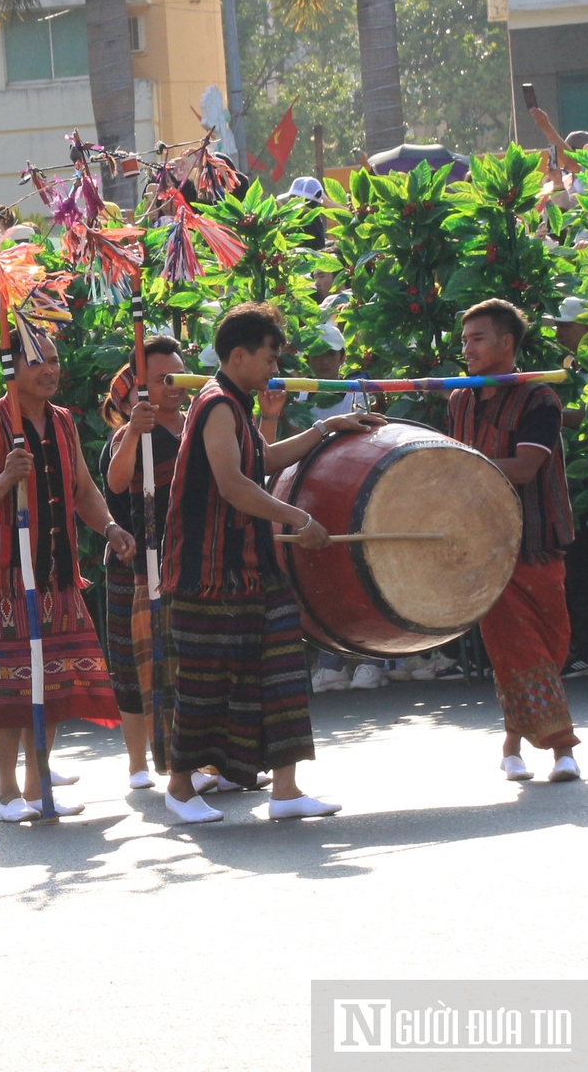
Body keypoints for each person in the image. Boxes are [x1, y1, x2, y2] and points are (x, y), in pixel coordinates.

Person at [160, 303, 381, 824]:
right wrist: (297, 519)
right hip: (208, 572)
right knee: (204, 683)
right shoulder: (215, 405)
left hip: (252, 566)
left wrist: (328, 428)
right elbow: (233, 485)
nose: (273, 369)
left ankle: (286, 790)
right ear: (238, 356)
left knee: (281, 672)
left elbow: (264, 460)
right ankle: (178, 788)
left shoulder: (235, 404)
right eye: (268, 358)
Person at [0, 333, 130, 824]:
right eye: (39, 362)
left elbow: (83, 490)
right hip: (2, 583)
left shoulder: (62, 422)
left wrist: (112, 527)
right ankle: (8, 793)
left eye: (54, 360)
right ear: (12, 370)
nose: (51, 369)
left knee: (51, 687)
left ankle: (37, 786)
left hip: (56, 576)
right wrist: (5, 478)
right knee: (8, 692)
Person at [447, 299, 582, 782]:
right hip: (485, 546)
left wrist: (457, 466)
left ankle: (510, 743)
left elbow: (525, 467)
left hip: (538, 537)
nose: (467, 348)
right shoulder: (459, 398)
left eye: (477, 338)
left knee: (549, 646)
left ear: (507, 343)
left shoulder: (539, 398)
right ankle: (563, 747)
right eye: (465, 340)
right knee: (515, 644)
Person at [98, 339, 188, 789]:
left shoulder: (197, 424)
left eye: (178, 373)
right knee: (135, 671)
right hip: (132, 566)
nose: (171, 385)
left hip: (183, 561)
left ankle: (196, 760)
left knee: (185, 665)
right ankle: (140, 762)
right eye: (157, 380)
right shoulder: (125, 438)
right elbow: (115, 482)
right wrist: (135, 431)